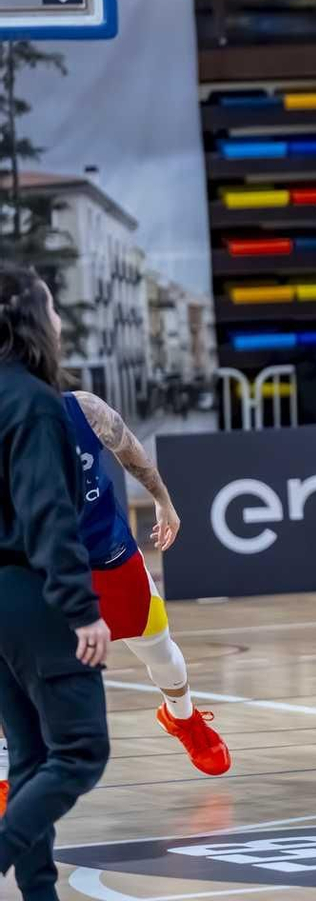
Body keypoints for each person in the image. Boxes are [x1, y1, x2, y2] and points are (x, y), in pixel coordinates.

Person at [0, 265, 111, 901]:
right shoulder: (35, 405)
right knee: (81, 751)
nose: (61, 320)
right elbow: (48, 513)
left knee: (30, 758)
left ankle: (39, 894)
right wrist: (81, 607)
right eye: (52, 305)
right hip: (33, 597)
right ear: (32, 319)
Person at [62, 390, 229, 775]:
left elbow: (126, 444)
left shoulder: (82, 408)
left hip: (108, 554)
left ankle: (181, 717)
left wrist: (162, 498)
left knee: (159, 651)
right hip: (34, 566)